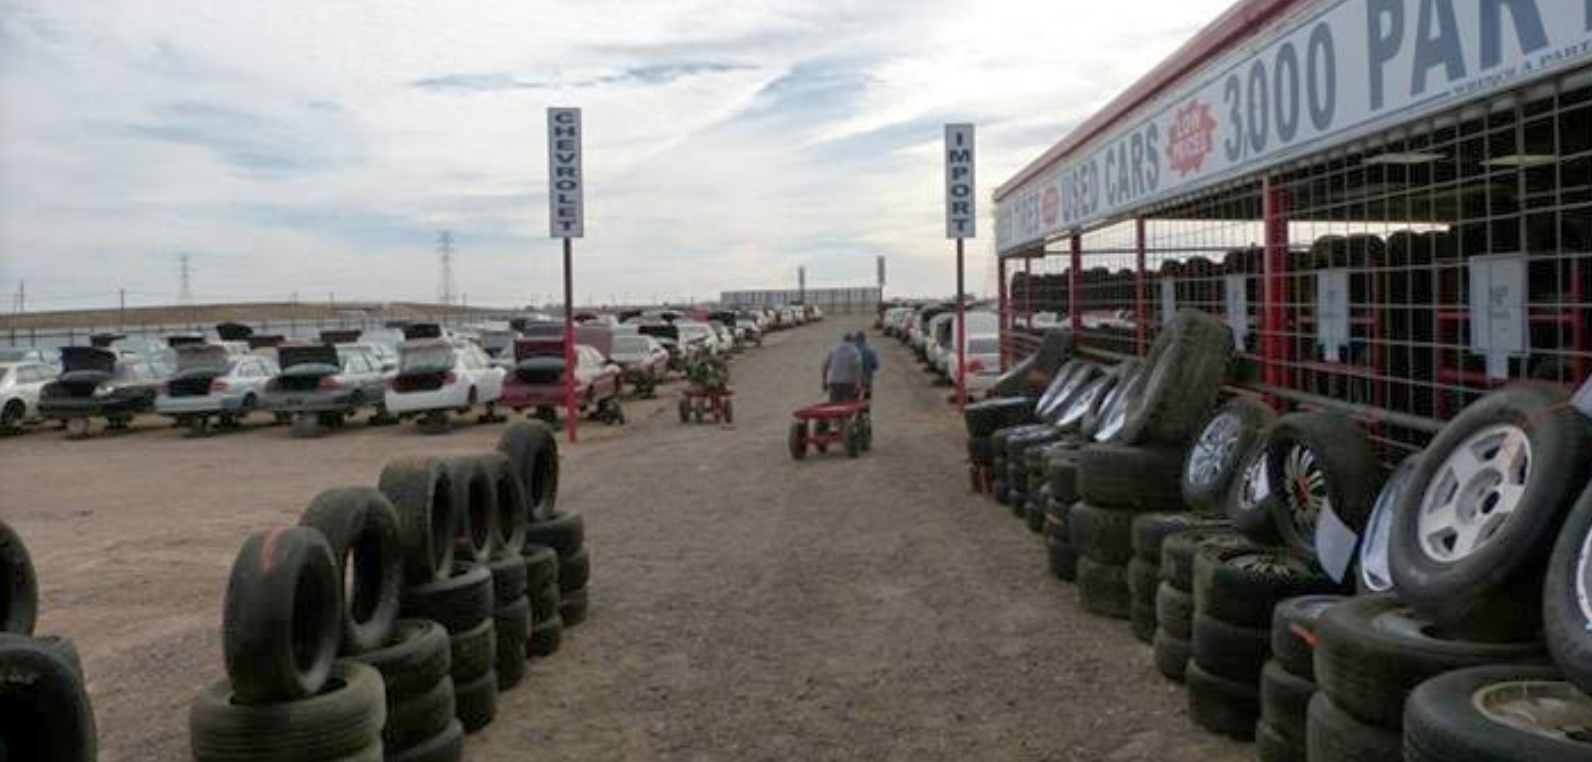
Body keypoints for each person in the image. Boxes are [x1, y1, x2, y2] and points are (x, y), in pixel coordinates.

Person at [821, 334, 863, 403]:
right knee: (848, 407)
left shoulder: (833, 349)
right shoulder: (855, 351)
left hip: (834, 383)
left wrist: (824, 381)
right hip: (849, 384)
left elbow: (824, 366)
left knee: (835, 407)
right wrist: (858, 385)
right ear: (852, 341)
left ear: (843, 340)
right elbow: (858, 369)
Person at [851, 332, 879, 396]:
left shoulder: (852, 349)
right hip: (867, 378)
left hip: (854, 379)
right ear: (864, 339)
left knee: (854, 397)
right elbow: (876, 365)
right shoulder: (871, 349)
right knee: (867, 395)